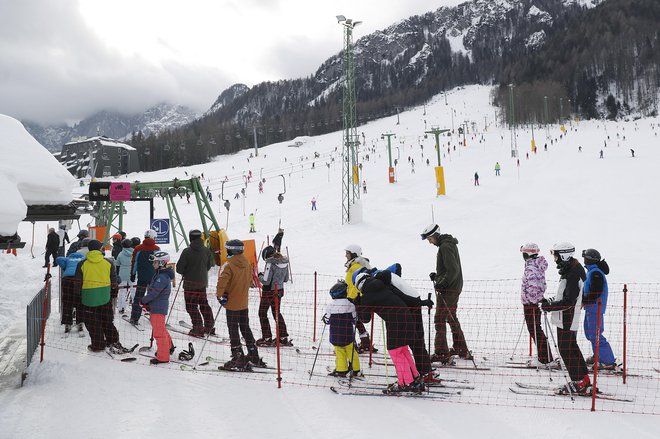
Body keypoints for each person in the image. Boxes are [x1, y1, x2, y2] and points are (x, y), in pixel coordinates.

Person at [361, 266, 436, 382]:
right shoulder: (384, 281)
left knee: (400, 348)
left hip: (403, 312)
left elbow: (365, 317)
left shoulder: (380, 285)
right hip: (410, 304)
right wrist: (421, 302)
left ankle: (410, 380)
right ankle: (420, 374)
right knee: (411, 343)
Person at [354, 271, 424, 394]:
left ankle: (406, 383)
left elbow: (365, 319)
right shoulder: (383, 285)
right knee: (403, 350)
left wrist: (358, 304)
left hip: (395, 323)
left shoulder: (367, 296)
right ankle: (415, 378)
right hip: (407, 317)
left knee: (395, 352)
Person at [540, 242, 591, 394]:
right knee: (571, 347)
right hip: (566, 315)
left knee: (565, 349)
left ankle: (579, 382)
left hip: (567, 316)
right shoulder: (571, 270)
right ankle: (583, 379)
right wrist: (550, 301)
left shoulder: (573, 273)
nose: (555, 259)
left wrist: (549, 307)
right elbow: (565, 295)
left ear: (564, 255)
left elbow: (569, 301)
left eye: (556, 255)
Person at [421, 224, 470, 363]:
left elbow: (453, 270)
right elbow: (449, 269)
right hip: (452, 286)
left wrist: (442, 282)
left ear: (435, 235)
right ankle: (461, 348)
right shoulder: (447, 244)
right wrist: (438, 276)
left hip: (449, 289)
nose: (430, 242)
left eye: (430, 239)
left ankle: (442, 352)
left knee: (440, 318)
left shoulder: (445, 247)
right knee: (450, 316)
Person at [216, 239, 266, 369]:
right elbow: (250, 281)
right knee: (245, 327)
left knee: (233, 329)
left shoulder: (229, 265)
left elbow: (222, 282)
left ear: (231, 250)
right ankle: (253, 353)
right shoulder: (247, 263)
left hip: (232, 303)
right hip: (243, 303)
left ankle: (237, 356)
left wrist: (220, 295)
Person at [74, 240, 123, 352]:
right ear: (100, 248)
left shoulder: (82, 264)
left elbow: (78, 284)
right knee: (107, 320)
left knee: (93, 322)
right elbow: (114, 282)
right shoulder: (109, 263)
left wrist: (79, 296)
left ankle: (98, 344)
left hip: (88, 297)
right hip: (105, 296)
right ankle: (113, 340)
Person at [519, 243, 556, 368]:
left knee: (535, 330)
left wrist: (531, 301)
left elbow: (534, 287)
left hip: (531, 304)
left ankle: (545, 359)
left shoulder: (532, 269)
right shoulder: (535, 266)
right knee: (536, 330)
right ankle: (544, 356)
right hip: (534, 303)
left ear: (527, 254)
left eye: (524, 253)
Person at [581, 248, 616, 370]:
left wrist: (584, 300)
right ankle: (598, 356)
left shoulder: (595, 273)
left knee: (596, 335)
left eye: (585, 257)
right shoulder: (593, 271)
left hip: (595, 308)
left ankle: (608, 361)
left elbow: (595, 291)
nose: (583, 260)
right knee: (590, 334)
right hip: (591, 308)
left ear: (589, 259)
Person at [176, 229, 216, 336]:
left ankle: (198, 328)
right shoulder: (206, 250)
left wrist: (187, 271)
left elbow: (179, 269)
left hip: (190, 284)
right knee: (203, 304)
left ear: (190, 238)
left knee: (191, 306)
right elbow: (209, 265)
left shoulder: (187, 251)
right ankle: (209, 326)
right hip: (202, 283)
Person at [141, 251, 175, 364]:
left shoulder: (162, 277)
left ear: (161, 263)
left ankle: (163, 357)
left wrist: (143, 300)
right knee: (161, 329)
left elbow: (154, 292)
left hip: (158, 308)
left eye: (155, 262)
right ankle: (168, 347)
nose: (153, 264)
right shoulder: (159, 274)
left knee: (158, 333)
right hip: (156, 306)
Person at [323, 280, 361, 377]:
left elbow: (327, 320)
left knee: (339, 352)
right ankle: (356, 369)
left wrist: (325, 319)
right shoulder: (351, 305)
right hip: (348, 335)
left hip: (335, 335)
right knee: (351, 351)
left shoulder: (330, 306)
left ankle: (341, 370)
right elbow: (354, 319)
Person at [344, 244, 376, 353]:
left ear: (353, 254)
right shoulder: (353, 265)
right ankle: (365, 342)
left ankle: (351, 344)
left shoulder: (356, 267)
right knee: (356, 321)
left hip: (355, 298)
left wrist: (351, 297)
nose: (345, 255)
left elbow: (358, 284)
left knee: (350, 321)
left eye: (347, 253)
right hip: (353, 297)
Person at [256, 246, 290, 346]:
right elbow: (286, 279)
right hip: (279, 290)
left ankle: (267, 338)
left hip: (268, 292)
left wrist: (260, 276)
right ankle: (283, 337)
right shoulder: (284, 262)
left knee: (262, 313)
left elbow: (266, 281)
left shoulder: (270, 263)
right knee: (276, 313)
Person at [129, 230, 160, 325]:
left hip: (142, 277)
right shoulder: (156, 248)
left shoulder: (138, 248)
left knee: (138, 297)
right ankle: (154, 316)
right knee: (153, 296)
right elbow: (159, 263)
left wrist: (133, 274)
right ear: (153, 237)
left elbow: (135, 262)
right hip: (153, 277)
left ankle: (134, 318)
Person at [56, 242, 87, 334]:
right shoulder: (83, 258)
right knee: (80, 302)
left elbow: (58, 259)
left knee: (67, 301)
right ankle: (80, 323)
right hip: (79, 280)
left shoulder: (69, 258)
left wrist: (65, 266)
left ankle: (67, 324)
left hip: (67, 280)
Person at [115, 239, 134, 315]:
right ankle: (135, 307)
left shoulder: (121, 254)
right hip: (132, 273)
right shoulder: (134, 253)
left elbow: (117, 264)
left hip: (122, 274)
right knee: (134, 291)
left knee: (122, 292)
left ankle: (121, 308)